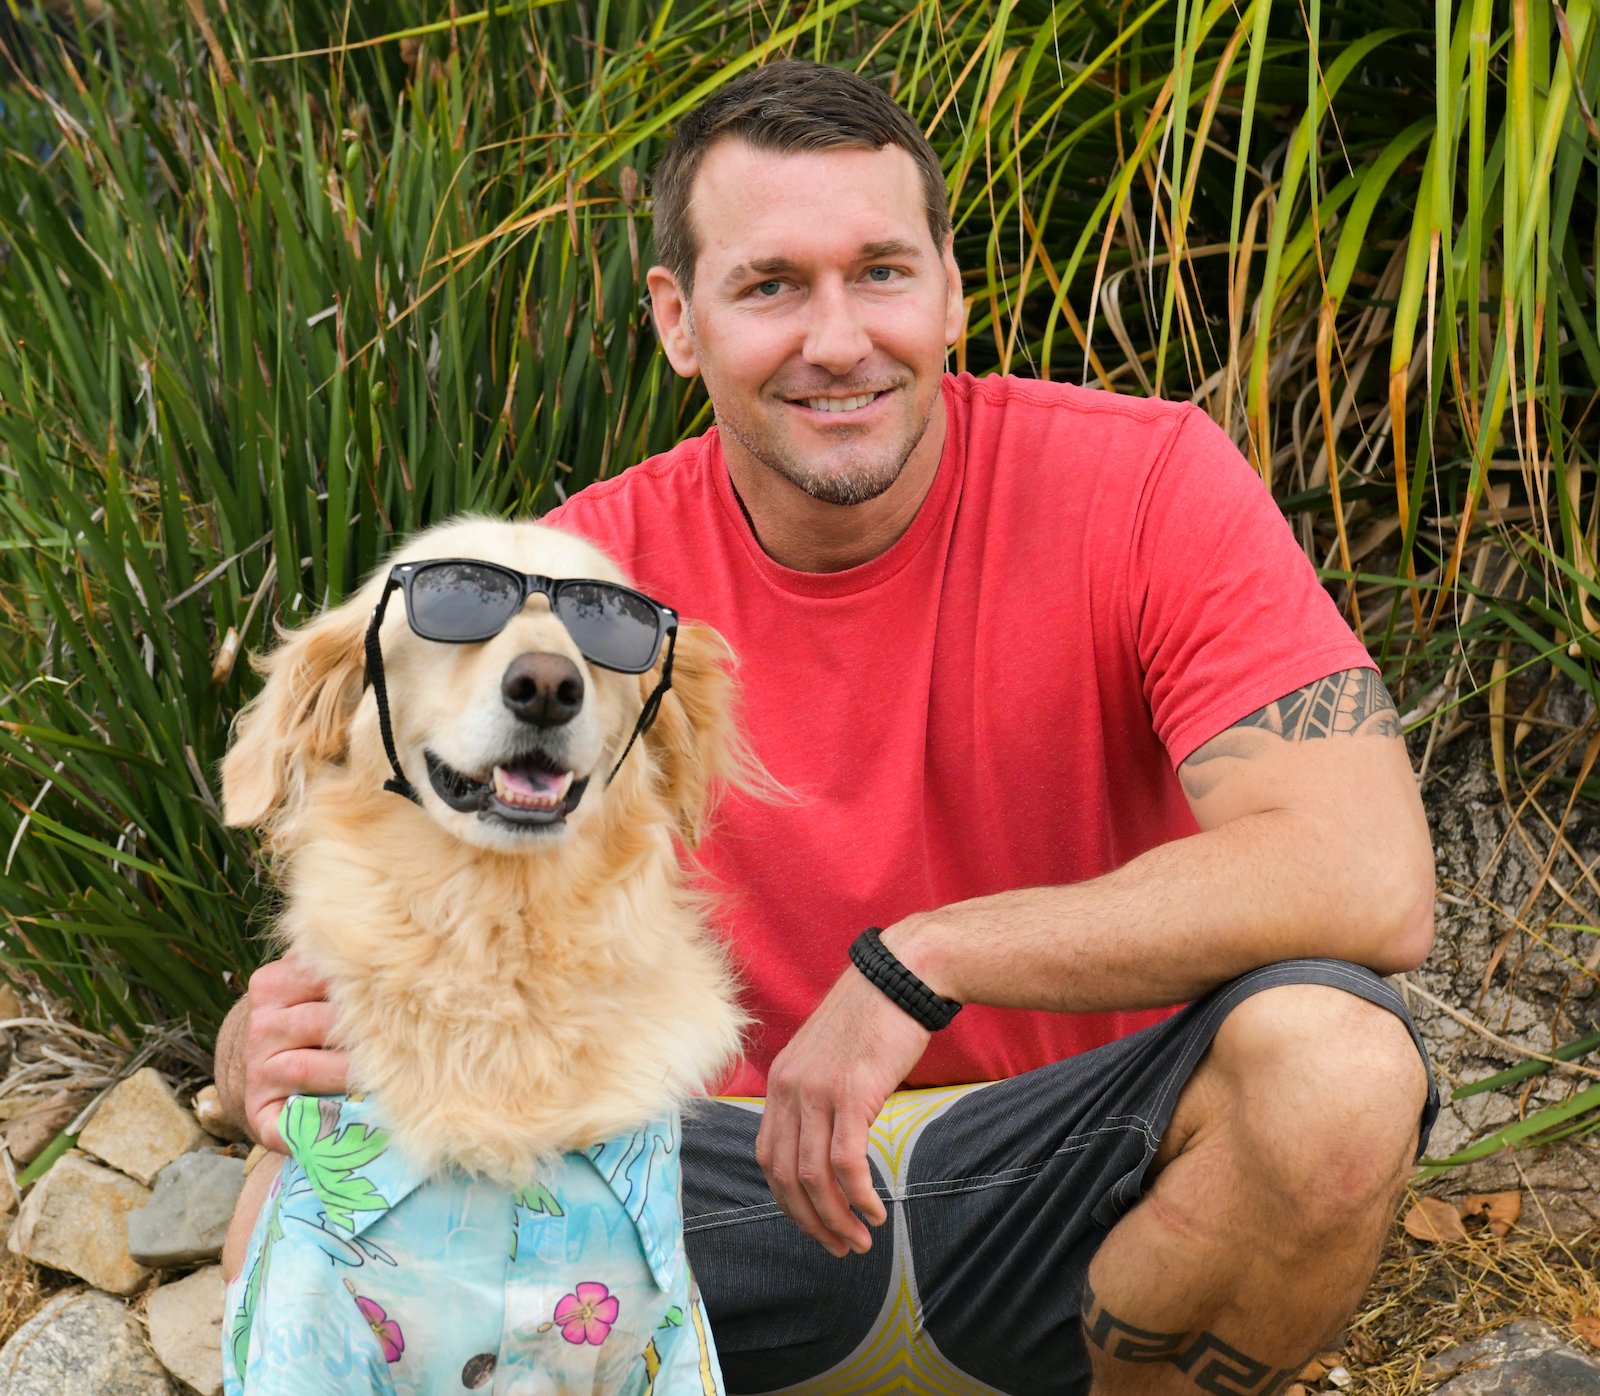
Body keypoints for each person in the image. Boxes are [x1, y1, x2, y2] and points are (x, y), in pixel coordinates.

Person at [216, 60, 1438, 1396]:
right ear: (679, 322)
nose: (841, 337)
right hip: (715, 1209)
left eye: (881, 272)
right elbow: (402, 921)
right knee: (317, 1173)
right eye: (772, 286)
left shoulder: (1146, 482)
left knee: (1337, 1063)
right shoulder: (578, 589)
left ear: (953, 290)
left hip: (1071, 1187)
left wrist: (925, 961)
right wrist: (268, 1051)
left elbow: (1367, 878)